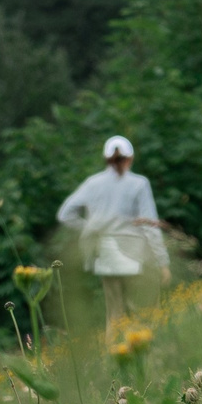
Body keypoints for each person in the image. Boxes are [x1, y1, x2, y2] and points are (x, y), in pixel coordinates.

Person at [55, 135, 169, 325]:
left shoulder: (92, 183)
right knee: (142, 312)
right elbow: (150, 227)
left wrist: (91, 228)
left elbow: (65, 214)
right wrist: (162, 262)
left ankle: (112, 354)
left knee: (114, 315)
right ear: (130, 158)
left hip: (104, 253)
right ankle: (144, 352)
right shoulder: (139, 184)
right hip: (134, 253)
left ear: (106, 159)